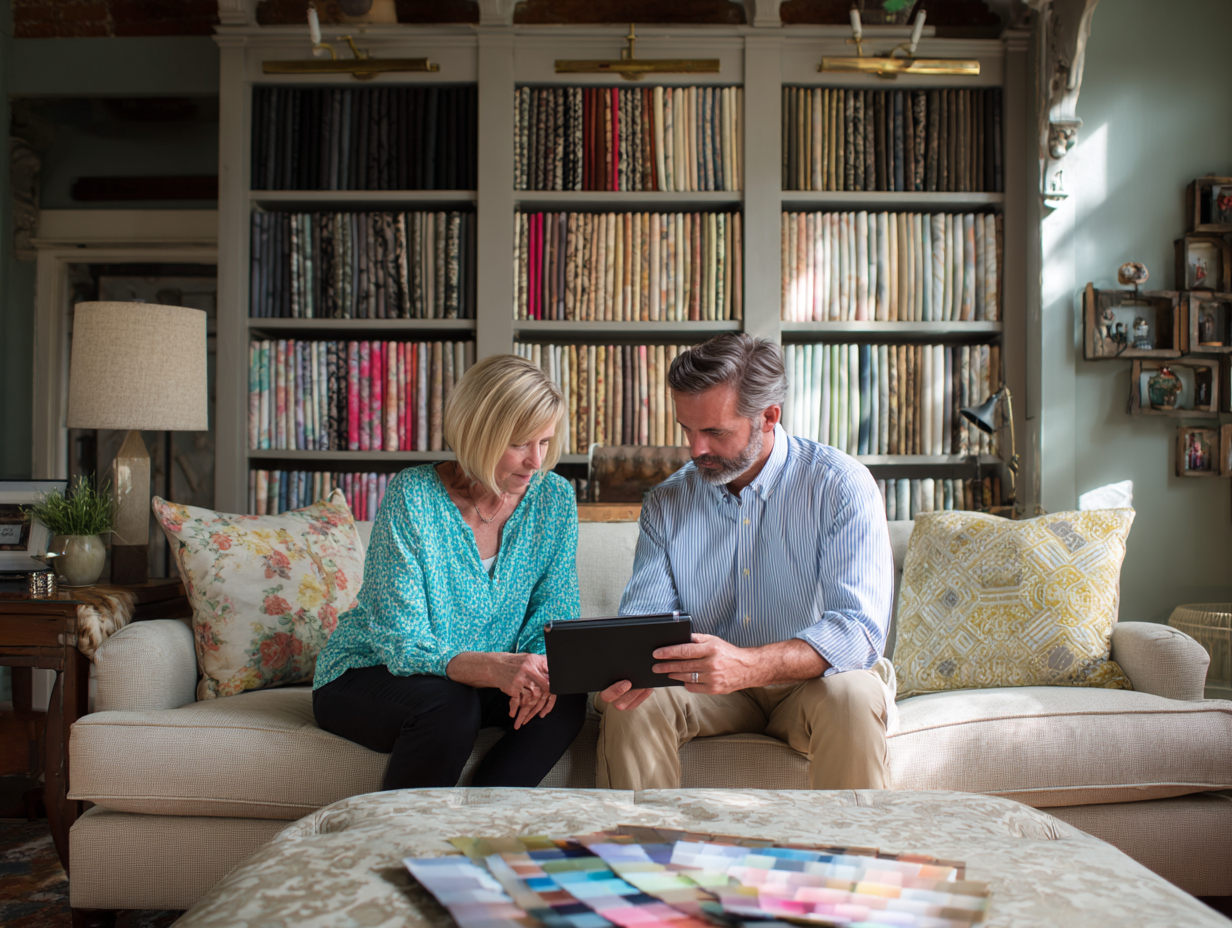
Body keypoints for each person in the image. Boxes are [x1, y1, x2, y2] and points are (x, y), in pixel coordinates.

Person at [595, 333, 895, 791]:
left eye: (714, 432)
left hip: (813, 682)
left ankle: (850, 859)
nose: (695, 450)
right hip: (707, 688)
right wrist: (628, 670)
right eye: (687, 430)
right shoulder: (666, 501)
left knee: (853, 693)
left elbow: (859, 631)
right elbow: (645, 624)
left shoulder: (841, 486)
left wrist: (749, 664)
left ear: (769, 417)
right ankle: (644, 855)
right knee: (634, 706)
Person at [313, 354, 586, 789]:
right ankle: (406, 844)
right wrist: (491, 669)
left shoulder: (553, 498)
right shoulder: (413, 495)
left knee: (565, 697)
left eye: (545, 442)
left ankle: (481, 825)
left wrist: (541, 669)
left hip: (479, 682)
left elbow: (554, 612)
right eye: (520, 443)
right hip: (371, 671)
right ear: (478, 432)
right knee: (450, 706)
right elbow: (401, 641)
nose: (536, 460)